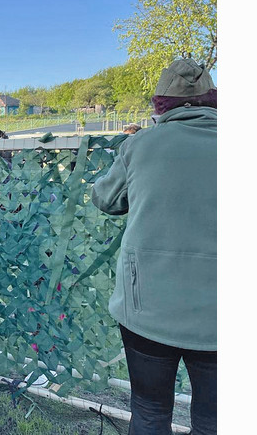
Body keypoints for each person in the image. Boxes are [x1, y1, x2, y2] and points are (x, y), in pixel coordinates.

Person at [92, 58, 217, 435]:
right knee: (216, 421)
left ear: (160, 104)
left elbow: (106, 199)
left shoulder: (139, 145)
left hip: (147, 307)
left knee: (149, 411)